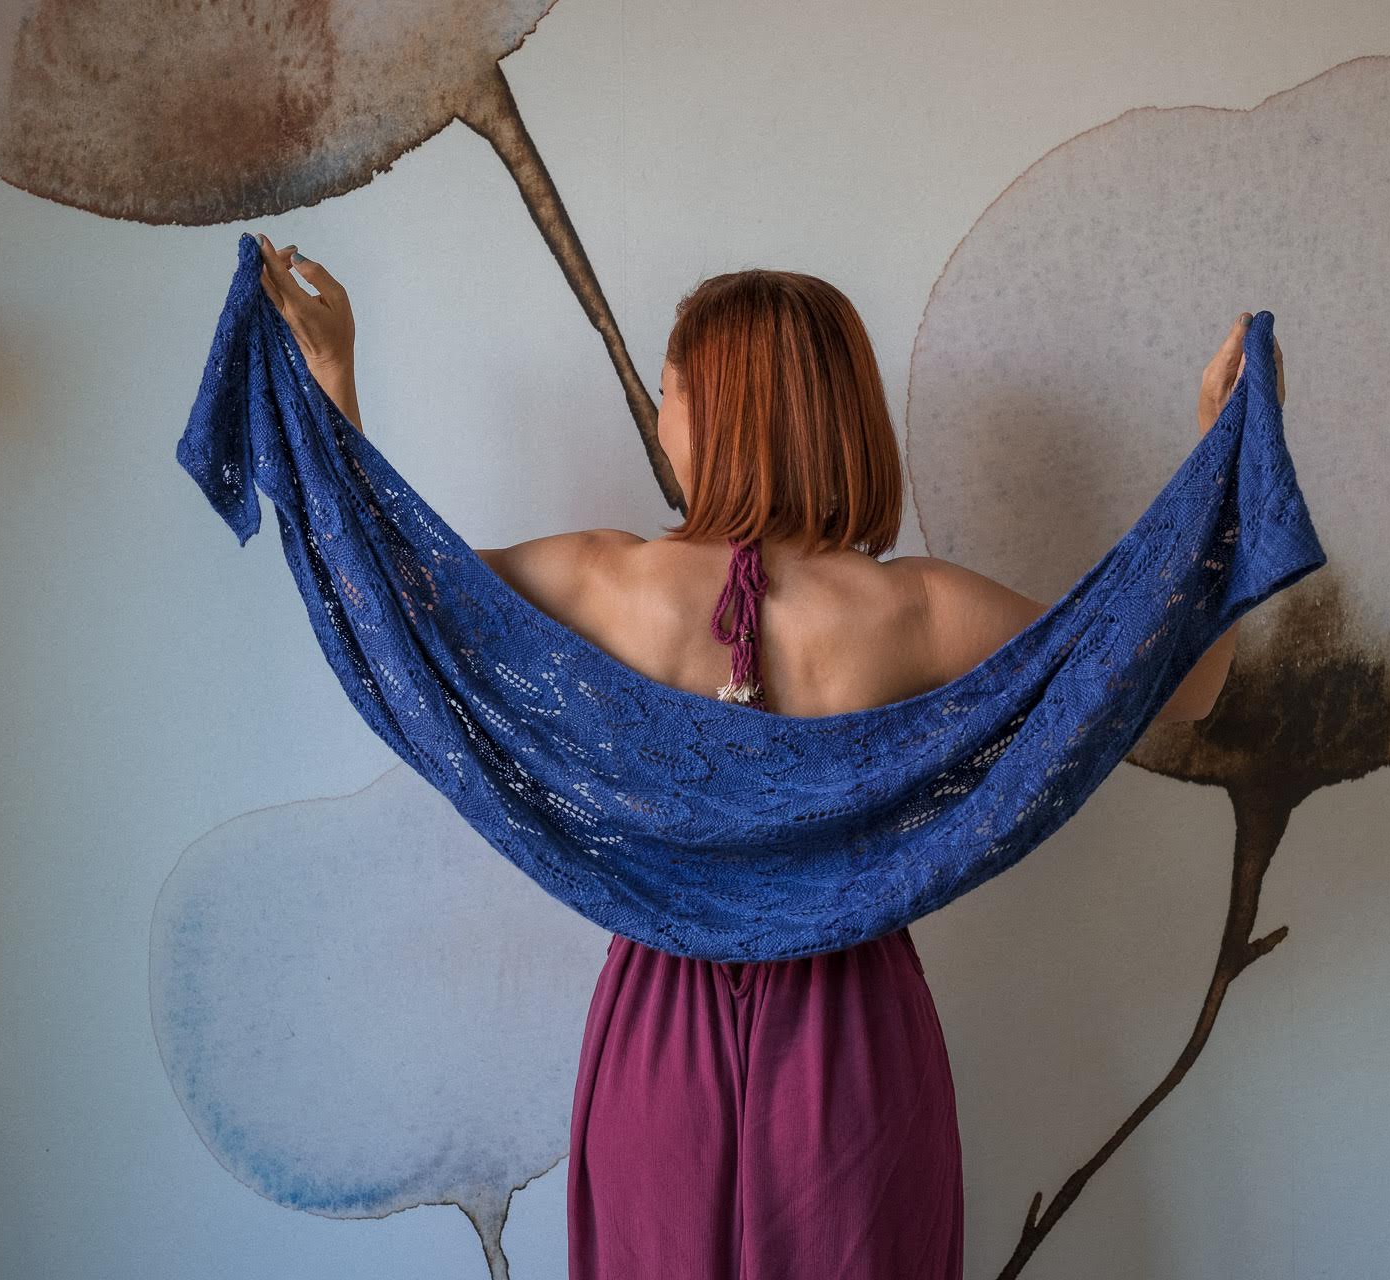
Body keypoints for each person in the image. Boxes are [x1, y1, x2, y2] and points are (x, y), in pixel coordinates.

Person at [252, 231, 1272, 1278]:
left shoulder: (608, 583)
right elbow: (1183, 679)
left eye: (669, 392)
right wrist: (1224, 461)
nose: (659, 416)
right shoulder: (917, 607)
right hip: (857, 1040)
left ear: (724, 413)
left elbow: (381, 594)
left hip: (657, 1030)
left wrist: (331, 379)